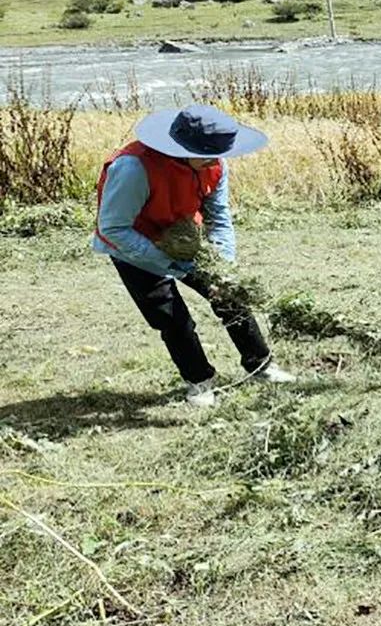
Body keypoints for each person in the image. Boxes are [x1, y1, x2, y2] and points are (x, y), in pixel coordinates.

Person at [92, 105, 295, 407]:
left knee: (230, 296)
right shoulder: (134, 168)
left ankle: (260, 365)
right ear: (181, 147)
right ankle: (199, 381)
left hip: (183, 237)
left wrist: (223, 267)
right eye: (209, 154)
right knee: (172, 317)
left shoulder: (214, 163)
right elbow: (113, 228)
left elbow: (219, 217)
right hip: (132, 246)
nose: (217, 160)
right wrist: (172, 265)